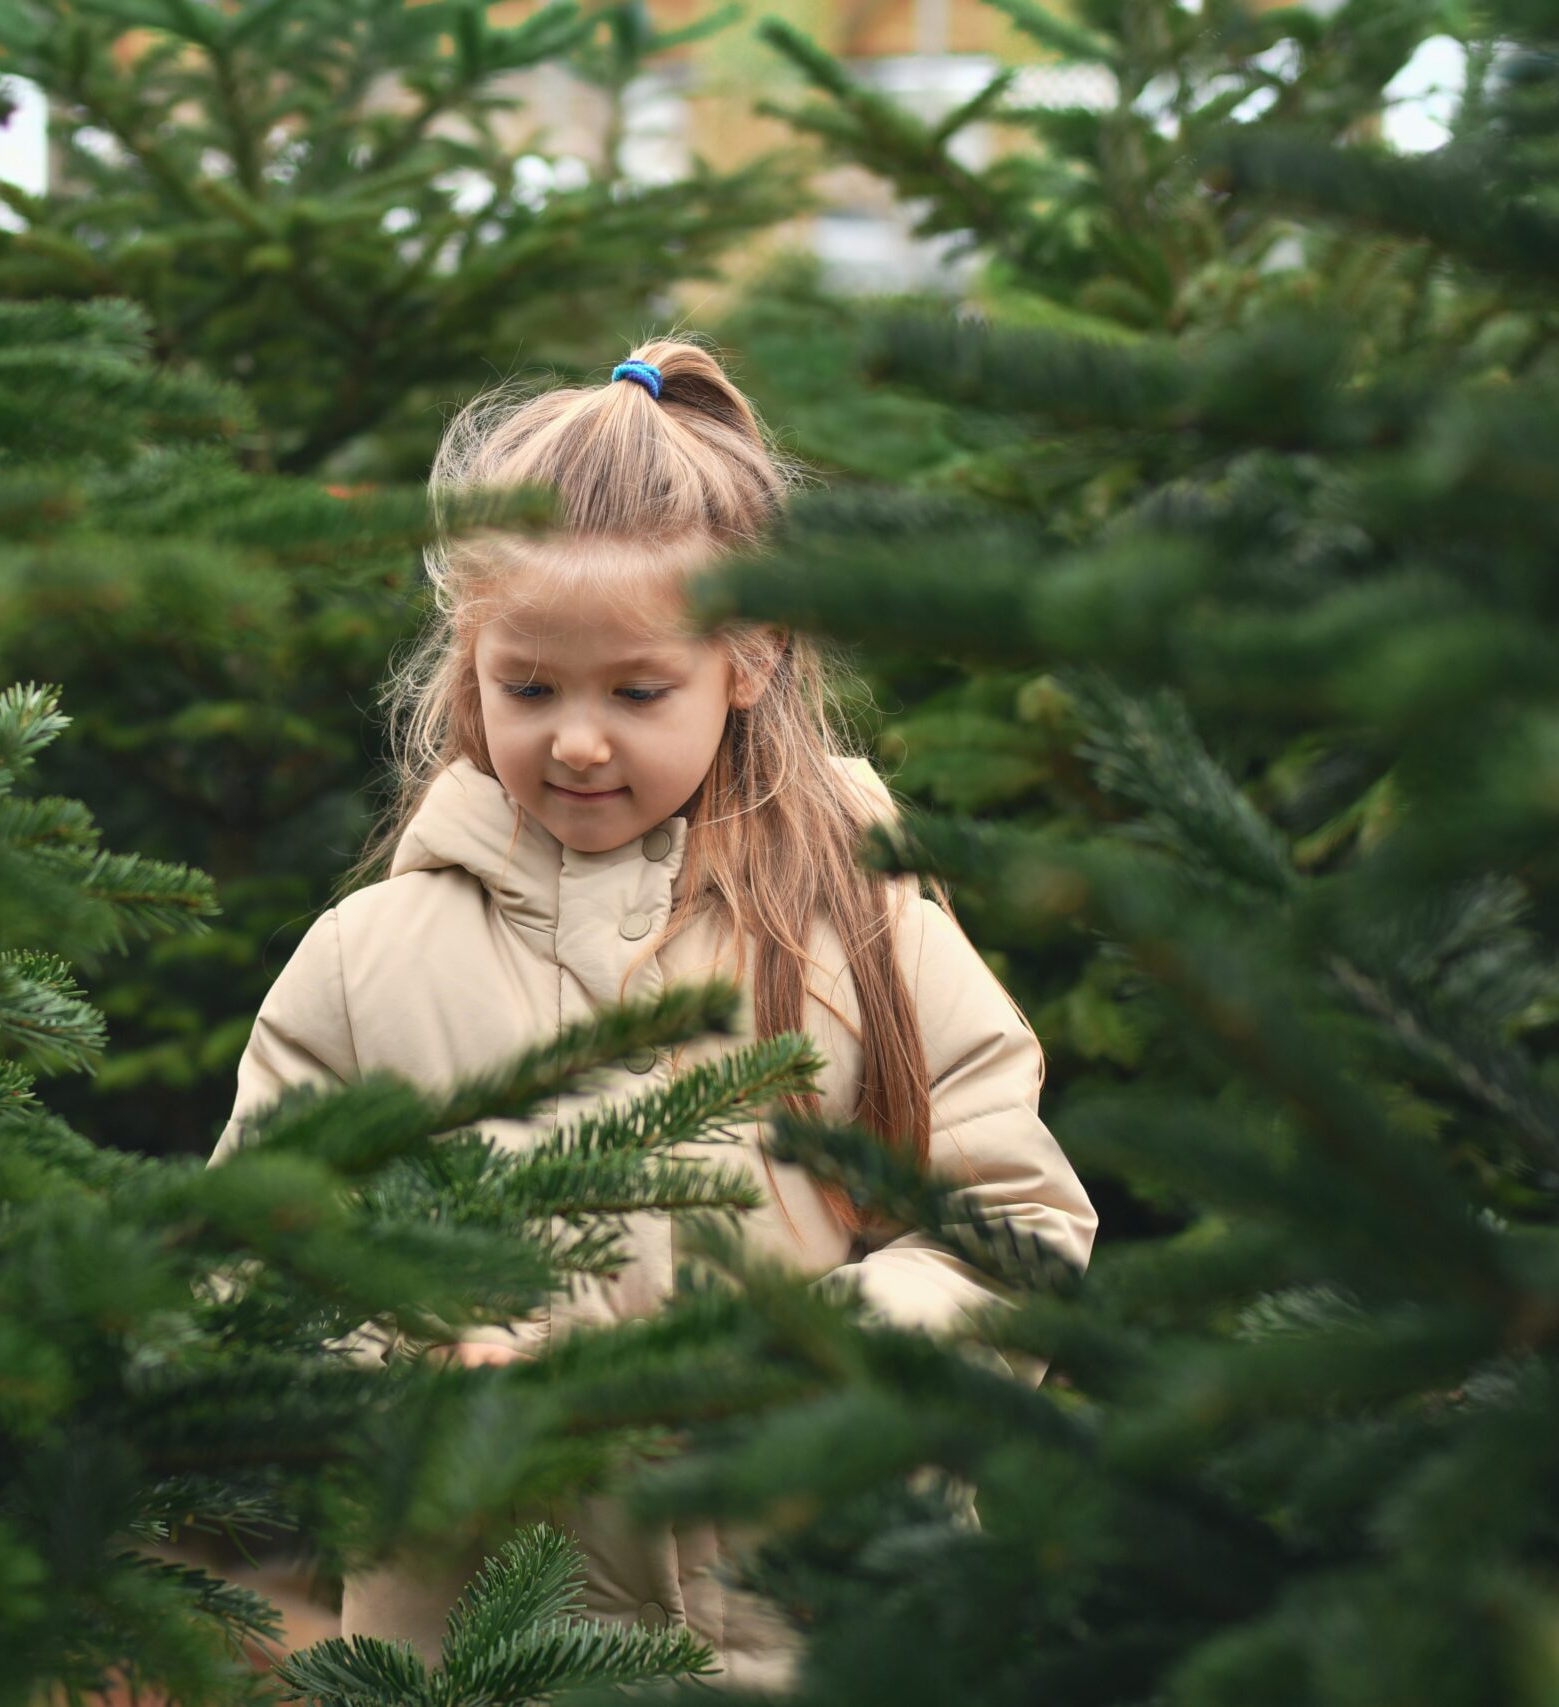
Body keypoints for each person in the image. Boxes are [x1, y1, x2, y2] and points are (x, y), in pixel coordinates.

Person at [209, 337, 1098, 1690]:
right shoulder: (363, 960)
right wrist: (414, 1359)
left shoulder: (861, 928)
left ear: (748, 661)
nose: (577, 739)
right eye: (529, 689)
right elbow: (256, 1264)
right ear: (469, 668)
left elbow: (1015, 1237)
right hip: (477, 1658)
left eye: (635, 693)